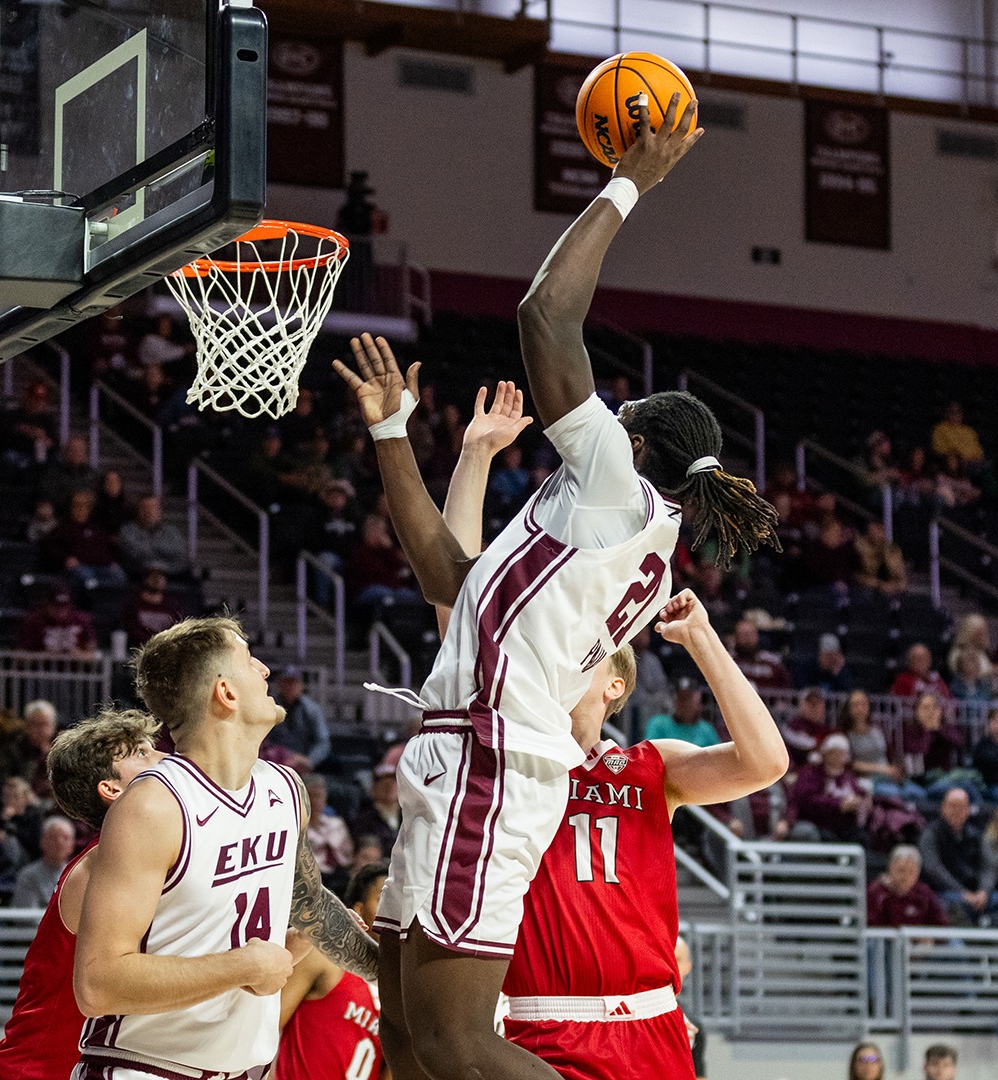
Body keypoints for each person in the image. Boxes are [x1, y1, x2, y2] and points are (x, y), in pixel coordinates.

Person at [332, 102, 775, 1080]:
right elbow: (449, 578)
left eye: (617, 412)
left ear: (634, 439)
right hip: (478, 747)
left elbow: (544, 316)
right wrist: (393, 433)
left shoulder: (619, 485)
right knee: (406, 1035)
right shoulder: (616, 535)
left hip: (491, 756)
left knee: (453, 1041)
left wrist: (630, 182)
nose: (599, 412)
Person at [500, 589, 789, 1080]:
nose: (562, 660)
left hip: (652, 1024)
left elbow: (767, 762)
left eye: (583, 652)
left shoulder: (652, 765)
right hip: (545, 1024)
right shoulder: (510, 761)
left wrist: (701, 639)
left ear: (614, 685)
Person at [72, 617, 376, 1079]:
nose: (265, 670)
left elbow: (310, 905)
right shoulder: (154, 806)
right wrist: (242, 966)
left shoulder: (286, 788)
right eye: (249, 660)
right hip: (144, 1067)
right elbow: (98, 984)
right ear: (226, 693)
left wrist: (390, 973)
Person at [0, 709, 166, 1080]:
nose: (164, 758)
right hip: (33, 1072)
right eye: (142, 753)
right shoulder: (106, 861)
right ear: (112, 789)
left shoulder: (124, 855)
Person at [274, 865, 390, 1080]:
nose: (394, 912)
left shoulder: (399, 992)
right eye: (384, 899)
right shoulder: (324, 958)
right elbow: (267, 1025)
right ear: (359, 909)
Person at [920, 788, 998, 923]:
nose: (957, 811)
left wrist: (984, 891)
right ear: (943, 808)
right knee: (954, 904)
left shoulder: (977, 835)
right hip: (944, 890)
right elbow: (933, 869)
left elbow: (988, 867)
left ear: (968, 810)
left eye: (961, 807)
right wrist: (962, 892)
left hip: (975, 891)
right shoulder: (930, 834)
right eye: (953, 806)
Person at [778, 733, 872, 843]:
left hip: (844, 825)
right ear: (826, 753)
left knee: (862, 837)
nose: (840, 757)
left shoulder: (848, 776)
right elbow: (806, 800)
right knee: (824, 837)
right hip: (818, 822)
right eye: (836, 753)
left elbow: (858, 794)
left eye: (843, 753)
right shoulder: (810, 773)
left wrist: (861, 802)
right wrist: (838, 805)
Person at [43, 489, 127, 591]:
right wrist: (65, 559)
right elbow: (51, 548)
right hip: (80, 566)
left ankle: (95, 586)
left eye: (84, 505)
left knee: (120, 576)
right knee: (86, 577)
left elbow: (109, 547)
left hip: (103, 565)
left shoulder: (98, 527)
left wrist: (113, 561)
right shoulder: (62, 528)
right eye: (76, 505)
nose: (80, 509)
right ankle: (95, 588)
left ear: (89, 508)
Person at [266, 668, 331, 771]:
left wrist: (310, 760)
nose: (290, 687)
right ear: (280, 685)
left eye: (294, 683)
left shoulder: (312, 709)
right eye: (286, 683)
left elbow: (323, 741)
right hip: (274, 760)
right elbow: (264, 739)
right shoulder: (270, 707)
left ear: (301, 686)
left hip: (303, 762)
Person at [867, 846, 949, 928]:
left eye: (911, 872)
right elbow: (870, 925)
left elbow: (941, 924)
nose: (905, 876)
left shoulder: (924, 892)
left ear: (918, 873)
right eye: (901, 870)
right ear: (891, 868)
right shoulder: (875, 891)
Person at [11, 817, 79, 909]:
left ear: (72, 845)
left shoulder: (78, 877)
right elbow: (27, 914)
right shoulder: (28, 876)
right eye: (53, 837)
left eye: (65, 838)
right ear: (42, 842)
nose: (59, 842)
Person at [116, 495, 190, 578]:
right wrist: (162, 553)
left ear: (160, 511)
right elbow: (134, 554)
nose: (149, 512)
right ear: (138, 511)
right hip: (138, 574)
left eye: (153, 508)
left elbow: (180, 554)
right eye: (145, 508)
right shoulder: (127, 530)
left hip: (170, 573)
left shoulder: (172, 531)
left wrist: (159, 569)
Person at [0, 701, 58, 799]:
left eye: (45, 724)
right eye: (35, 724)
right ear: (27, 726)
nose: (41, 730)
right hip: (23, 798)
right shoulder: (14, 746)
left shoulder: (62, 746)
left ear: (53, 725)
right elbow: (1, 777)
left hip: (56, 800)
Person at [16, 588, 97, 657]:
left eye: (64, 607)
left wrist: (76, 654)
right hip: (42, 669)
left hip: (75, 669)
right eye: (56, 607)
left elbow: (92, 653)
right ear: (47, 605)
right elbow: (19, 656)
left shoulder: (81, 620)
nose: (60, 611)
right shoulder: (34, 621)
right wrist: (45, 655)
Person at [946, 614, 998, 701]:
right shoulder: (957, 653)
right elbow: (963, 674)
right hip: (966, 695)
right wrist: (990, 672)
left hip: (985, 693)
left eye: (983, 633)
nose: (981, 636)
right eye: (978, 633)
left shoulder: (982, 653)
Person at [642, 679, 719, 747]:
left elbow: (719, 755)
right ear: (674, 700)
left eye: (688, 699)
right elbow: (648, 752)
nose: (685, 704)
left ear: (698, 701)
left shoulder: (706, 730)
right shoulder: (659, 724)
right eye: (681, 699)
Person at [122, 569, 185, 647]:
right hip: (141, 647)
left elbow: (179, 628)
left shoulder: (172, 605)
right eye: (153, 576)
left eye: (161, 576)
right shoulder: (134, 604)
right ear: (145, 579)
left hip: (168, 647)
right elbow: (132, 630)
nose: (157, 579)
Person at [852, 519, 907, 596]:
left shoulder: (892, 549)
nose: (876, 534)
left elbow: (901, 579)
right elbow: (857, 575)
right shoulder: (858, 547)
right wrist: (879, 584)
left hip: (889, 588)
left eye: (879, 530)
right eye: (872, 530)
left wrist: (894, 585)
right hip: (867, 587)